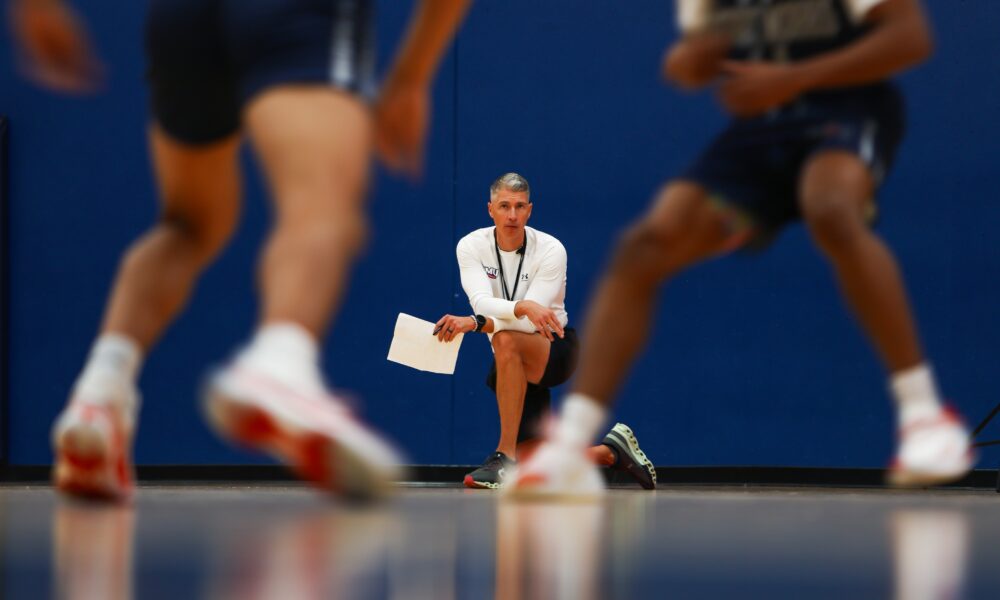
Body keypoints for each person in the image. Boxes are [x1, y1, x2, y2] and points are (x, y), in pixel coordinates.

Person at [509, 0, 974, 497]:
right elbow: (707, 52)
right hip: (766, 127)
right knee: (644, 246)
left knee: (831, 208)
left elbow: (909, 36)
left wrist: (794, 77)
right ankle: (572, 450)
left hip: (848, 109)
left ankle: (925, 417)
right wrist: (693, 60)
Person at [12, 0, 473, 501]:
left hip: (184, 19)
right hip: (299, 14)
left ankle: (100, 395)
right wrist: (409, 77)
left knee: (189, 224)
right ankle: (281, 362)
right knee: (322, 206)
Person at [434, 173, 656, 490]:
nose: (512, 215)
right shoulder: (470, 246)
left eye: (519, 206)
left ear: (530, 210)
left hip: (554, 347)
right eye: (504, 206)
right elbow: (481, 301)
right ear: (490, 209)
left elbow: (530, 322)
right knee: (533, 462)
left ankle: (502, 456)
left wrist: (477, 322)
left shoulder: (551, 249)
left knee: (506, 338)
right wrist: (503, 312)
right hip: (510, 364)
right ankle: (612, 452)